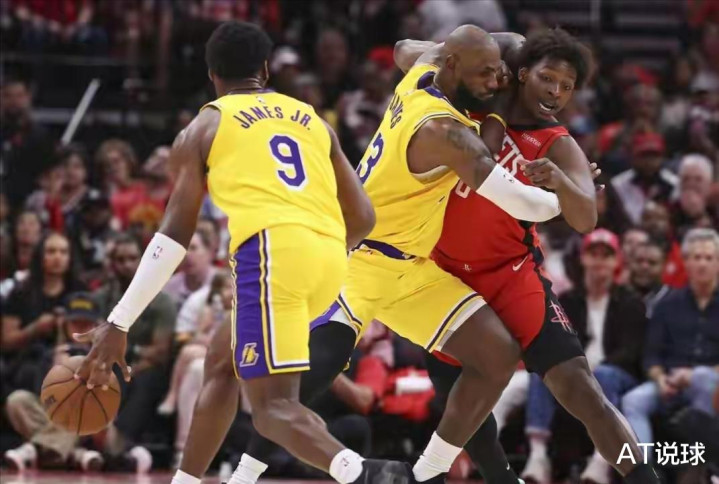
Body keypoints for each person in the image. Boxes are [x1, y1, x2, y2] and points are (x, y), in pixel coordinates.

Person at [73, 20, 411, 484]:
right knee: (221, 359)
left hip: (273, 254)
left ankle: (370, 474)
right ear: (265, 71)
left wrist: (118, 322)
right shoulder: (312, 118)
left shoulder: (204, 126)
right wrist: (317, 250)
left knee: (272, 409)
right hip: (330, 256)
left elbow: (173, 236)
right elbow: (365, 217)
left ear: (212, 74)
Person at [406, 27, 658, 484]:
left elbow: (586, 218)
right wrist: (471, 50)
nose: (556, 92)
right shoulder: (474, 100)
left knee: (581, 389)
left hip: (511, 275)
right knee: (464, 409)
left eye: (567, 86)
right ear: (521, 73)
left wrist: (560, 181)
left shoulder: (558, 142)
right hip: (444, 276)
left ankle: (645, 478)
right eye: (548, 78)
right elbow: (405, 52)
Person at [520, 229, 649, 484]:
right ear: (583, 258)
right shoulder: (567, 300)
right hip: (577, 370)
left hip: (616, 373)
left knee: (604, 376)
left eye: (606, 255)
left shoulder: (631, 302)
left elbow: (631, 351)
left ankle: (601, 461)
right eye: (594, 254)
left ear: (616, 261)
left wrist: (591, 368)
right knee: (542, 372)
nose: (599, 261)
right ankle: (538, 456)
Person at [621, 228, 719, 447]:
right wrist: (660, 379)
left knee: (703, 378)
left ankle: (702, 459)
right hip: (670, 382)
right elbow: (652, 355)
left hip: (713, 383)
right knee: (633, 401)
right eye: (696, 257)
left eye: (709, 258)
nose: (702, 264)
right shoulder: (667, 304)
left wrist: (693, 375)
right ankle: (642, 466)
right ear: (686, 263)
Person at [3, 292, 105, 472]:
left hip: (92, 421)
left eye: (86, 324)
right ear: (64, 324)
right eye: (75, 323)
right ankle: (74, 454)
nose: (80, 330)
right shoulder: (49, 353)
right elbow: (43, 398)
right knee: (17, 400)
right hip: (56, 416)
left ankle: (34, 450)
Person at [1, 232, 84, 400]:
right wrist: (35, 329)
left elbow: (93, 332)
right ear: (40, 256)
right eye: (51, 251)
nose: (57, 257)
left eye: (63, 252)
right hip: (28, 360)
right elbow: (6, 342)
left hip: (73, 358)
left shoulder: (80, 291)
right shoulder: (21, 293)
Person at [627, 240, 670, 318]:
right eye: (639, 261)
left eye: (652, 262)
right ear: (629, 263)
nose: (644, 267)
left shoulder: (674, 301)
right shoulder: (616, 299)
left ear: (663, 266)